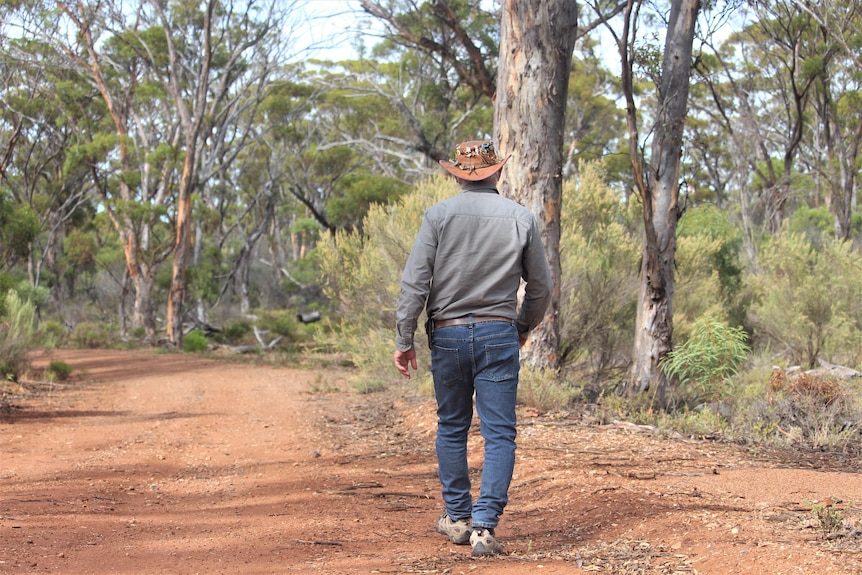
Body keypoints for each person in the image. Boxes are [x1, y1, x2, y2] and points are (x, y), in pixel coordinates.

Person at [393, 139, 552, 557]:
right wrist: (521, 326)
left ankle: (458, 518)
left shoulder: (438, 216)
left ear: (458, 175)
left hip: (446, 335)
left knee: (451, 426)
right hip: (498, 334)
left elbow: (414, 285)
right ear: (496, 172)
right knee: (499, 433)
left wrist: (403, 339)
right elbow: (542, 288)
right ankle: (484, 527)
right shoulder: (521, 218)